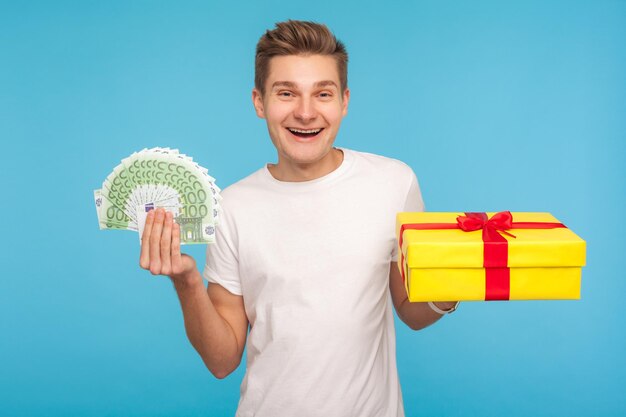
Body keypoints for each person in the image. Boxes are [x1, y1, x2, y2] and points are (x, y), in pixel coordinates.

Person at [139, 20, 458, 417]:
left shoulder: (394, 182)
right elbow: (222, 361)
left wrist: (456, 284)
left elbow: (411, 309)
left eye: (322, 93)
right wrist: (186, 281)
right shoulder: (234, 206)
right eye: (286, 93)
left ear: (344, 100)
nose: (305, 113)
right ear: (259, 102)